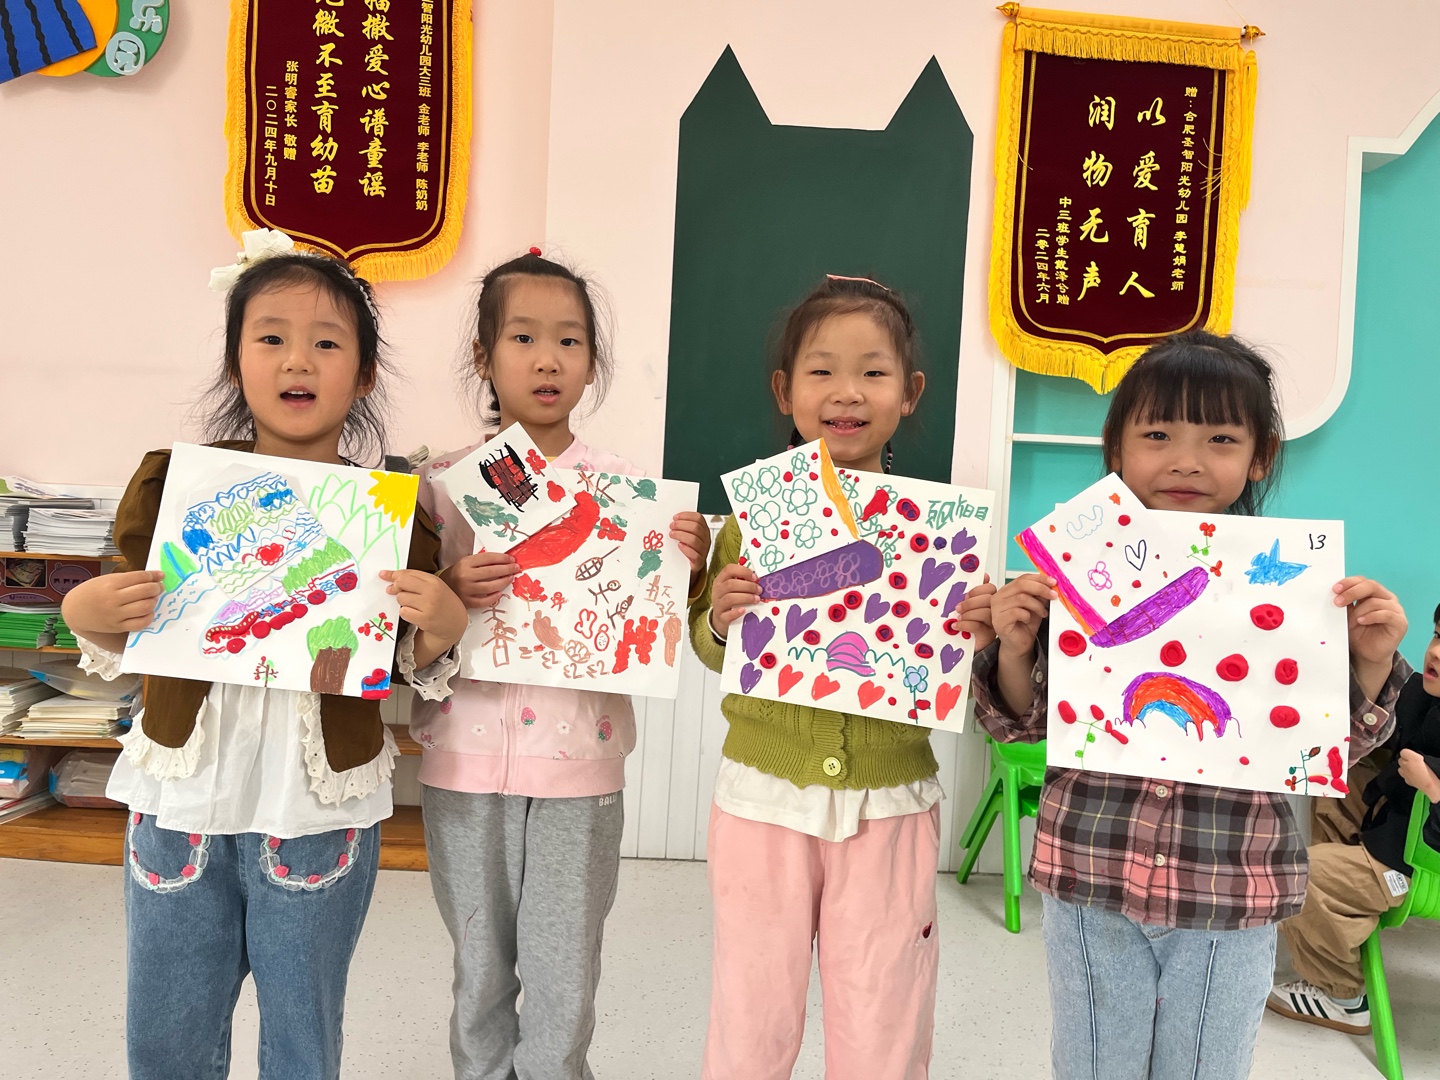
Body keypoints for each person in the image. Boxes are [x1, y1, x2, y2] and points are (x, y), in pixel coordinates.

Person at [60, 230, 468, 1080]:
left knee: (302, 1039)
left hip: (316, 809)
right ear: (235, 360)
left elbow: (407, 657)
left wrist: (440, 625)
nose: (298, 360)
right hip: (184, 798)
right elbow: (129, 621)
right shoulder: (172, 486)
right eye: (271, 337)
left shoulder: (391, 512)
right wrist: (83, 611)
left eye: (328, 343)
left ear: (363, 375)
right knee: (168, 1035)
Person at [959, 330, 1411, 1079]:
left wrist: (1367, 661)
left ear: (1261, 455)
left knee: (1204, 1067)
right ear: (1115, 448)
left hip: (1230, 890)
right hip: (1092, 875)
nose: (1186, 460)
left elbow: (1323, 749)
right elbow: (1020, 724)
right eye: (1158, 434)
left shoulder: (1292, 590)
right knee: (1093, 1064)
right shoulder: (1075, 575)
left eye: (1221, 438)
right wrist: (1013, 646)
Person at [412, 248, 710, 1080]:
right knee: (478, 967)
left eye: (570, 341)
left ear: (592, 361)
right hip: (463, 764)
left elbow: (656, 614)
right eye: (523, 338)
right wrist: (448, 589)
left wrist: (683, 559)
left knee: (565, 971)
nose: (548, 359)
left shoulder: (628, 490)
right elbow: (402, 631)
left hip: (581, 770)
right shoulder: (440, 487)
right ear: (485, 356)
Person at [689, 274, 949, 1080]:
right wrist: (720, 616)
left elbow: (946, 662)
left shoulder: (937, 531)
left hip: (890, 800)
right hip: (762, 798)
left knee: (883, 1008)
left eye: (873, 372)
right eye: (822, 371)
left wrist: (971, 624)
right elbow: (711, 647)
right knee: (752, 1006)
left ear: (909, 392)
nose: (847, 392)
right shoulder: (753, 519)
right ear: (785, 391)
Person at [1268, 602, 1440, 1034]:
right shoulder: (1426, 694)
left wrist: (1434, 785)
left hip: (1421, 864)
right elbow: (1384, 713)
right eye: (1438, 635)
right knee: (1336, 776)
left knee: (1297, 877)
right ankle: (1341, 900)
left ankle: (1341, 995)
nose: (1436, 652)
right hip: (1394, 827)